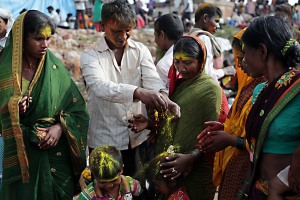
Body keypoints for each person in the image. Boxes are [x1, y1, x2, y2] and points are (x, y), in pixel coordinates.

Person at [80, 0, 180, 178]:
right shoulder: (90, 54)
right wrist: (138, 92)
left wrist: (164, 97)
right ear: (102, 26)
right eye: (116, 31)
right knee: (106, 189)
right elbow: (100, 87)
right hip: (104, 137)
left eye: (128, 30)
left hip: (135, 137)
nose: (123, 36)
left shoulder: (140, 50)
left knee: (134, 188)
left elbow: (152, 80)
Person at [0, 10, 89, 199]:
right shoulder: (5, 71)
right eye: (38, 38)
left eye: (48, 38)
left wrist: (59, 128)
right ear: (22, 38)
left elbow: (78, 110)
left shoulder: (54, 68)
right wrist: (13, 109)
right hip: (23, 157)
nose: (45, 45)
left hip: (56, 156)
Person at [129, 35, 223, 199]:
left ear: (201, 61)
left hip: (195, 168)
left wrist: (190, 158)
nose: (181, 68)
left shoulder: (210, 89)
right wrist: (150, 124)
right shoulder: (178, 85)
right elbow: (175, 121)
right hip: (170, 171)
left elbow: (211, 134)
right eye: (177, 62)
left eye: (188, 62)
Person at [196, 28, 266, 199]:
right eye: (237, 59)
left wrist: (230, 139)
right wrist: (225, 128)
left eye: (243, 58)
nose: (240, 65)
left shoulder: (266, 89)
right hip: (234, 165)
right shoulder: (247, 84)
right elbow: (239, 122)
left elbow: (262, 141)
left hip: (249, 169)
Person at [239, 15, 300, 199]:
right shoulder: (260, 91)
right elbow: (255, 148)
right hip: (259, 190)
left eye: (246, 53)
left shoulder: (297, 88)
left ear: (262, 52)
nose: (243, 61)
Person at [189, 3, 236, 83]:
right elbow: (207, 74)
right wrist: (225, 71)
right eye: (216, 21)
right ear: (205, 18)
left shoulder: (191, 35)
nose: (217, 26)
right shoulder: (204, 39)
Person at [77, 145, 143, 199]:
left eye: (114, 180)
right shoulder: (89, 195)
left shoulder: (130, 184)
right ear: (93, 174)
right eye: (103, 182)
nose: (109, 185)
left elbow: (142, 194)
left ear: (121, 169)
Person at [154, 13, 184, 87]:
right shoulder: (191, 54)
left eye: (155, 35)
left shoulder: (163, 65)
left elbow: (164, 95)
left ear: (162, 35)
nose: (155, 40)